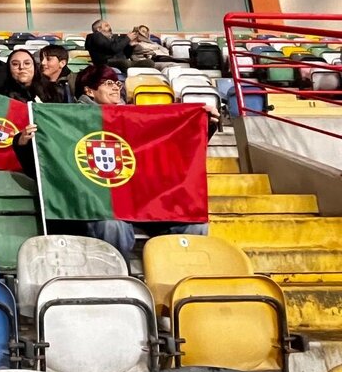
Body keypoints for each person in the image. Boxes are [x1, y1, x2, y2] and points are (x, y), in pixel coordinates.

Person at [15, 64, 213, 260]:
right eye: (108, 82)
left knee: (195, 225)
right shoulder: (66, 122)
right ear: (89, 90)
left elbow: (173, 149)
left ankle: (174, 281)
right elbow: (48, 165)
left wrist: (204, 125)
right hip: (97, 204)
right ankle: (119, 281)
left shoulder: (137, 119)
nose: (116, 87)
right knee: (112, 225)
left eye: (117, 83)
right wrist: (23, 143)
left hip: (142, 199)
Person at [85, 18, 152, 71]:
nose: (110, 28)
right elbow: (113, 49)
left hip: (121, 62)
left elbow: (126, 55)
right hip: (104, 63)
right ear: (99, 29)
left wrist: (130, 46)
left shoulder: (112, 39)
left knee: (149, 62)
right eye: (106, 26)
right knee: (125, 63)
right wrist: (127, 38)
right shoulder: (95, 36)